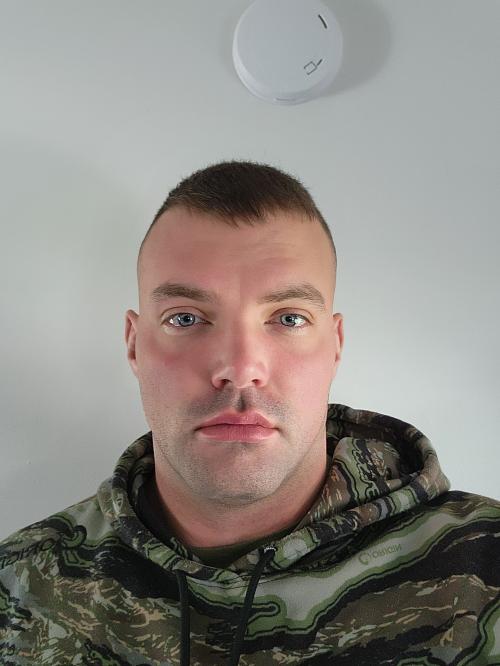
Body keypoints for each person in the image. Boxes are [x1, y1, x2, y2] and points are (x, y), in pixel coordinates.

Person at [0, 160, 499, 666]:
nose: (240, 369)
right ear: (134, 345)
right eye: (186, 318)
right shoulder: (19, 587)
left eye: (288, 318)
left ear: (335, 346)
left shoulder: (484, 571)